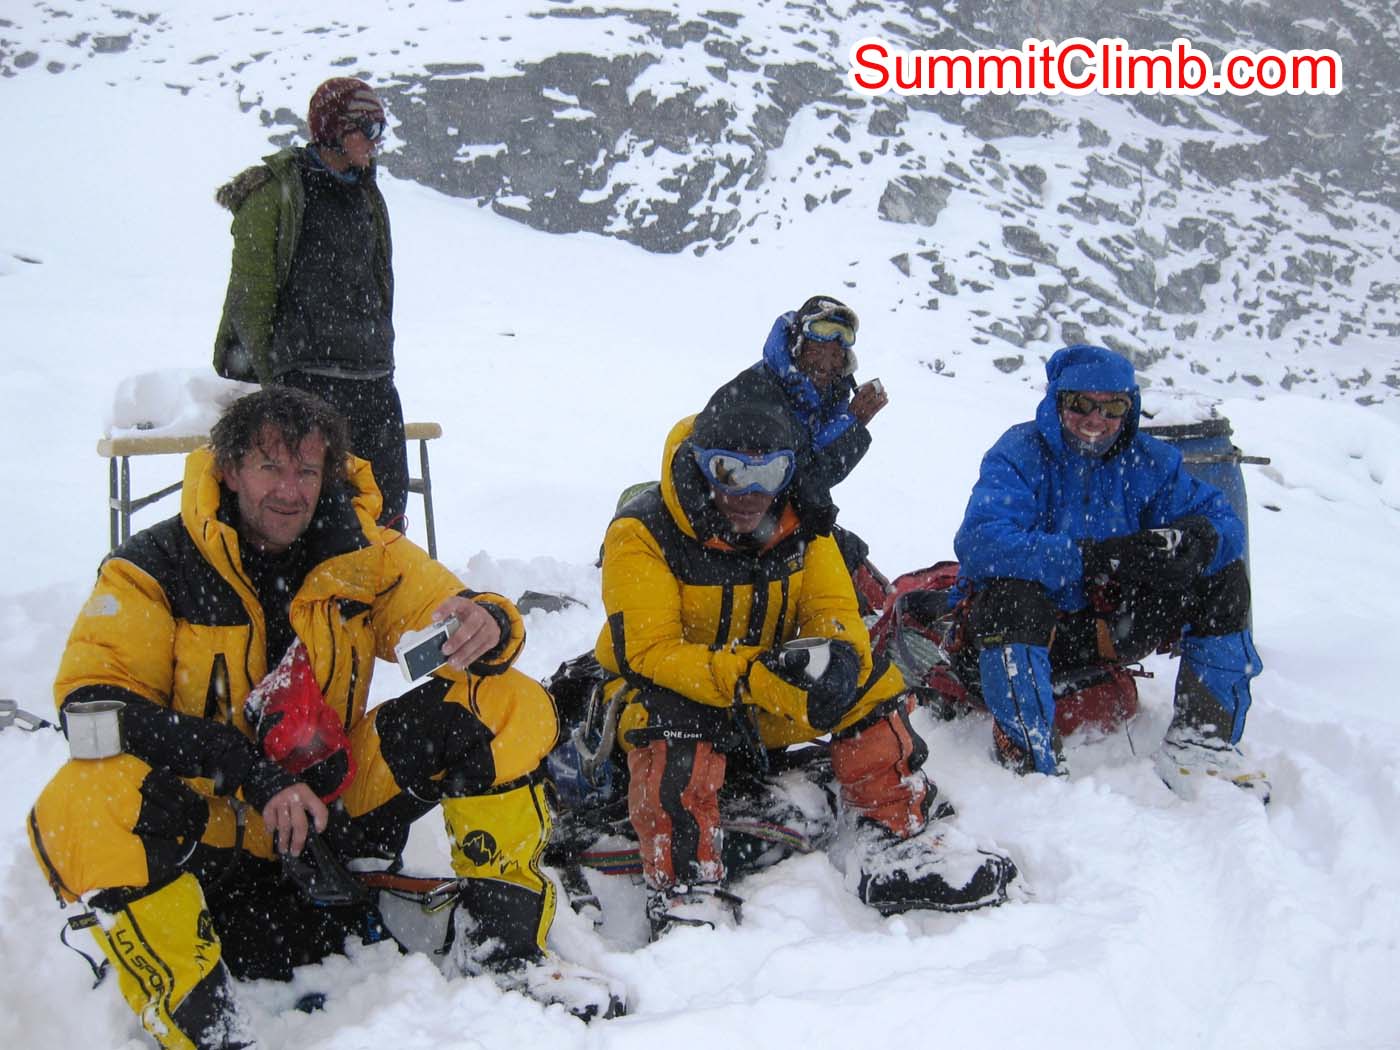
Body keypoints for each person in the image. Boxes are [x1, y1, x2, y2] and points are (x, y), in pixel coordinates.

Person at [27, 388, 621, 1050]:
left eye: (307, 471)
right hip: (213, 821)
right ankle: (205, 1030)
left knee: (505, 701)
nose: (290, 491)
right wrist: (248, 771)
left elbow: (443, 604)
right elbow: (92, 706)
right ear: (228, 469)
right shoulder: (155, 566)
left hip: (328, 802)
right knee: (79, 801)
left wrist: (488, 619)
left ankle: (506, 953)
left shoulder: (360, 551)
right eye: (270, 468)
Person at [592, 398, 1016, 937]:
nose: (748, 492)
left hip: (766, 687)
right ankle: (685, 886)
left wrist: (836, 658)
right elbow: (649, 654)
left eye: (767, 472)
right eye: (729, 470)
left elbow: (833, 611)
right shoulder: (643, 532)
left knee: (869, 681)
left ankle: (891, 835)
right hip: (671, 692)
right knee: (671, 717)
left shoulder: (804, 522)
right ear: (701, 463)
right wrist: (753, 677)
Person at [952, 343, 1270, 800]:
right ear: (1058, 402)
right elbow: (982, 543)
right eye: (1081, 404)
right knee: (1010, 597)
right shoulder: (1019, 453)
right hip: (1032, 632)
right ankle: (1030, 754)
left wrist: (1196, 542)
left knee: (1223, 579)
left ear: (1130, 408)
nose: (1095, 419)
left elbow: (1222, 520)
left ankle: (1202, 743)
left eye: (1112, 406)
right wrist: (1091, 557)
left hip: (1108, 624)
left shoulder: (1150, 461)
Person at [213, 77, 409, 527]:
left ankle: (383, 595)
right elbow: (251, 298)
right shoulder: (278, 191)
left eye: (382, 129)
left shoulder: (366, 194)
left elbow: (380, 288)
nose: (378, 143)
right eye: (369, 128)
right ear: (335, 130)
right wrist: (281, 384)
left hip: (374, 380)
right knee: (316, 516)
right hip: (309, 384)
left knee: (385, 511)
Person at [701, 295, 888, 545]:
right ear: (796, 345)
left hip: (772, 519)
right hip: (733, 528)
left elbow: (809, 457)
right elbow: (806, 480)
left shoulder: (816, 395)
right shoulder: (760, 396)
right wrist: (853, 424)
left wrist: (849, 419)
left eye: (836, 355)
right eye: (818, 349)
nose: (826, 364)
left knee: (854, 553)